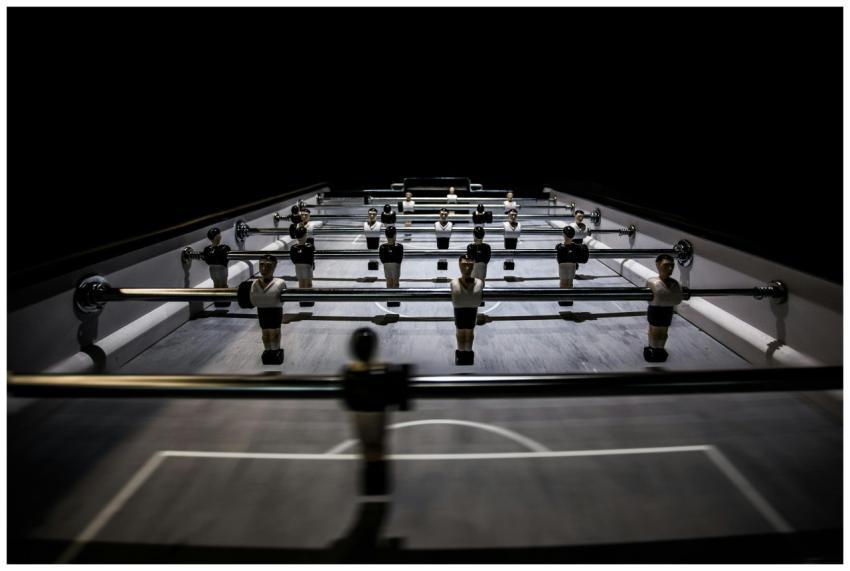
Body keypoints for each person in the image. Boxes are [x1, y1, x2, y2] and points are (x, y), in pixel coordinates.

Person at [341, 328, 410, 495]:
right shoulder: (385, 370)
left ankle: (370, 483)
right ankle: (378, 483)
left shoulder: (349, 372)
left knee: (366, 445)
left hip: (361, 410)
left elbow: (347, 400)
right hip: (377, 409)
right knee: (378, 444)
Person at [644, 254, 683, 362]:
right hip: (656, 310)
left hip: (667, 311)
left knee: (664, 330)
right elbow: (673, 298)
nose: (670, 269)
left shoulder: (674, 283)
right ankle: (652, 348)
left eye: (672, 266)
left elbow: (677, 299)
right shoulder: (653, 282)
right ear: (658, 265)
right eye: (666, 265)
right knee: (655, 329)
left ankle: (660, 348)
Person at [249, 254, 286, 365]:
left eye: (269, 265)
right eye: (261, 265)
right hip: (262, 312)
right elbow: (253, 299)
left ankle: (275, 350)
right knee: (265, 333)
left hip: (275, 312)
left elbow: (283, 299)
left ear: (274, 267)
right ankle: (268, 350)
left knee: (274, 332)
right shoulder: (255, 283)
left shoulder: (280, 283)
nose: (264, 268)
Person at [451, 255, 484, 365]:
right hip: (464, 308)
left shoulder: (478, 283)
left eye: (470, 265)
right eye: (464, 265)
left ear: (474, 266)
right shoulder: (455, 283)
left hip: (467, 308)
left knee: (468, 332)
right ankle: (462, 353)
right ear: (459, 265)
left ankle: (466, 353)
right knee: (462, 332)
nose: (467, 268)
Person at [555, 226, 589, 306]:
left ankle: (568, 298)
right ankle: (564, 298)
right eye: (567, 235)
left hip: (570, 265)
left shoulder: (573, 246)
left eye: (569, 236)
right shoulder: (561, 246)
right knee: (564, 282)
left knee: (569, 282)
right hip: (564, 265)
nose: (567, 238)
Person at [202, 227, 231, 308]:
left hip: (214, 269)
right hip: (219, 268)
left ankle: (220, 301)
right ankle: (222, 301)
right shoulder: (223, 248)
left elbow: (208, 259)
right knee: (220, 284)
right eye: (218, 235)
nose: (220, 236)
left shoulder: (208, 250)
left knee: (219, 284)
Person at [289, 226, 316, 308]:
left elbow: (293, 258)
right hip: (307, 266)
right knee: (307, 283)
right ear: (305, 235)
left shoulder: (293, 248)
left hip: (298, 266)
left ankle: (302, 299)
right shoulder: (309, 247)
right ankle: (308, 299)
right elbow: (311, 257)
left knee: (301, 283)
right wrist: (312, 264)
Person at [379, 226, 403, 307]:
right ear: (395, 234)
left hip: (387, 265)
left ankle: (391, 298)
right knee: (394, 282)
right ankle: (394, 298)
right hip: (395, 265)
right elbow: (400, 258)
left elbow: (382, 258)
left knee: (389, 282)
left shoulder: (382, 247)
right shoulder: (399, 247)